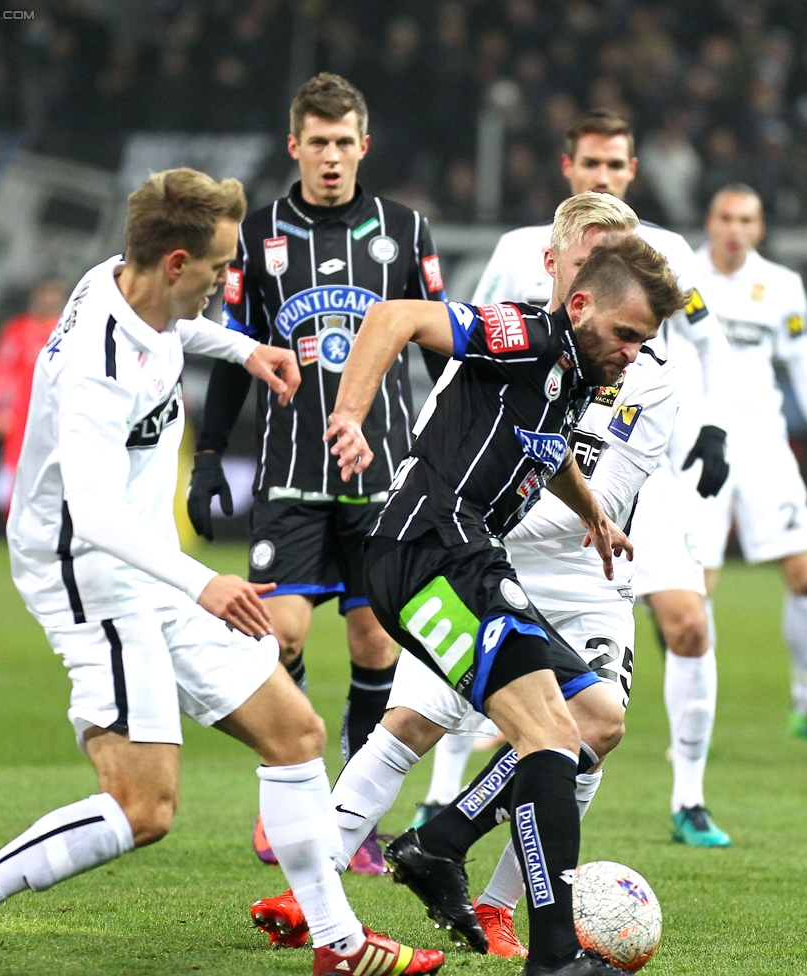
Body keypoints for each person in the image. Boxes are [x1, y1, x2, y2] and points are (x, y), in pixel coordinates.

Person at [0, 168, 444, 976]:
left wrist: (247, 347)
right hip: (89, 572)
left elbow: (175, 335)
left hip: (150, 562)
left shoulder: (129, 288)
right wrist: (202, 582)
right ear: (178, 262)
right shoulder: (93, 363)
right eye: (222, 267)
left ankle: (340, 946)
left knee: (295, 734)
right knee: (143, 807)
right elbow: (92, 512)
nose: (231, 280)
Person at [249, 192, 679, 961]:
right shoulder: (527, 333)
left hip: (462, 554)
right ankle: (549, 951)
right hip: (429, 548)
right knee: (543, 734)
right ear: (575, 295)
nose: (633, 354)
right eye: (626, 336)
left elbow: (539, 451)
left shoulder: (581, 368)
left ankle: (442, 846)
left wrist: (591, 511)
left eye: (642, 342)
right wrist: (349, 414)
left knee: (586, 718)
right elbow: (395, 319)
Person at [187, 72, 448, 871]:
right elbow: (235, 354)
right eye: (318, 142)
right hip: (291, 472)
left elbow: (440, 347)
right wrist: (206, 454)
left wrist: (451, 454)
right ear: (294, 144)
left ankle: (349, 816)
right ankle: (287, 796)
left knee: (374, 642)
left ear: (363, 145)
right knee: (284, 632)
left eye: (345, 143)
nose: (331, 157)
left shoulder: (406, 230)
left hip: (383, 477)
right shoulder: (258, 234)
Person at [462, 108, 735, 847]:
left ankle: (689, 797)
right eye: (593, 166)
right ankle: (441, 805)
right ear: (569, 170)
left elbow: (705, 342)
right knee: (474, 661)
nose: (605, 176)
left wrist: (711, 427)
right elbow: (477, 333)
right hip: (553, 472)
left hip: (641, 472)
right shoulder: (523, 248)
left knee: (687, 624)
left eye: (617, 166)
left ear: (632, 171)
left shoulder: (669, 250)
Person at [695, 184, 807, 752]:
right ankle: (697, 720)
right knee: (698, 591)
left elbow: (806, 372)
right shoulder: (681, 278)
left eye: (746, 219)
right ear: (709, 222)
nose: (734, 229)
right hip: (700, 445)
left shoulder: (781, 287)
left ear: (759, 229)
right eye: (725, 218)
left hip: (765, 444)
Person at [0, 278, 67, 512]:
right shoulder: (17, 330)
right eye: (45, 295)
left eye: (54, 296)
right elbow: (1, 370)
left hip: (58, 410)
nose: (49, 301)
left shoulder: (66, 330)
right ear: (35, 298)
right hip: (22, 413)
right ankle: (16, 518)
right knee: (16, 467)